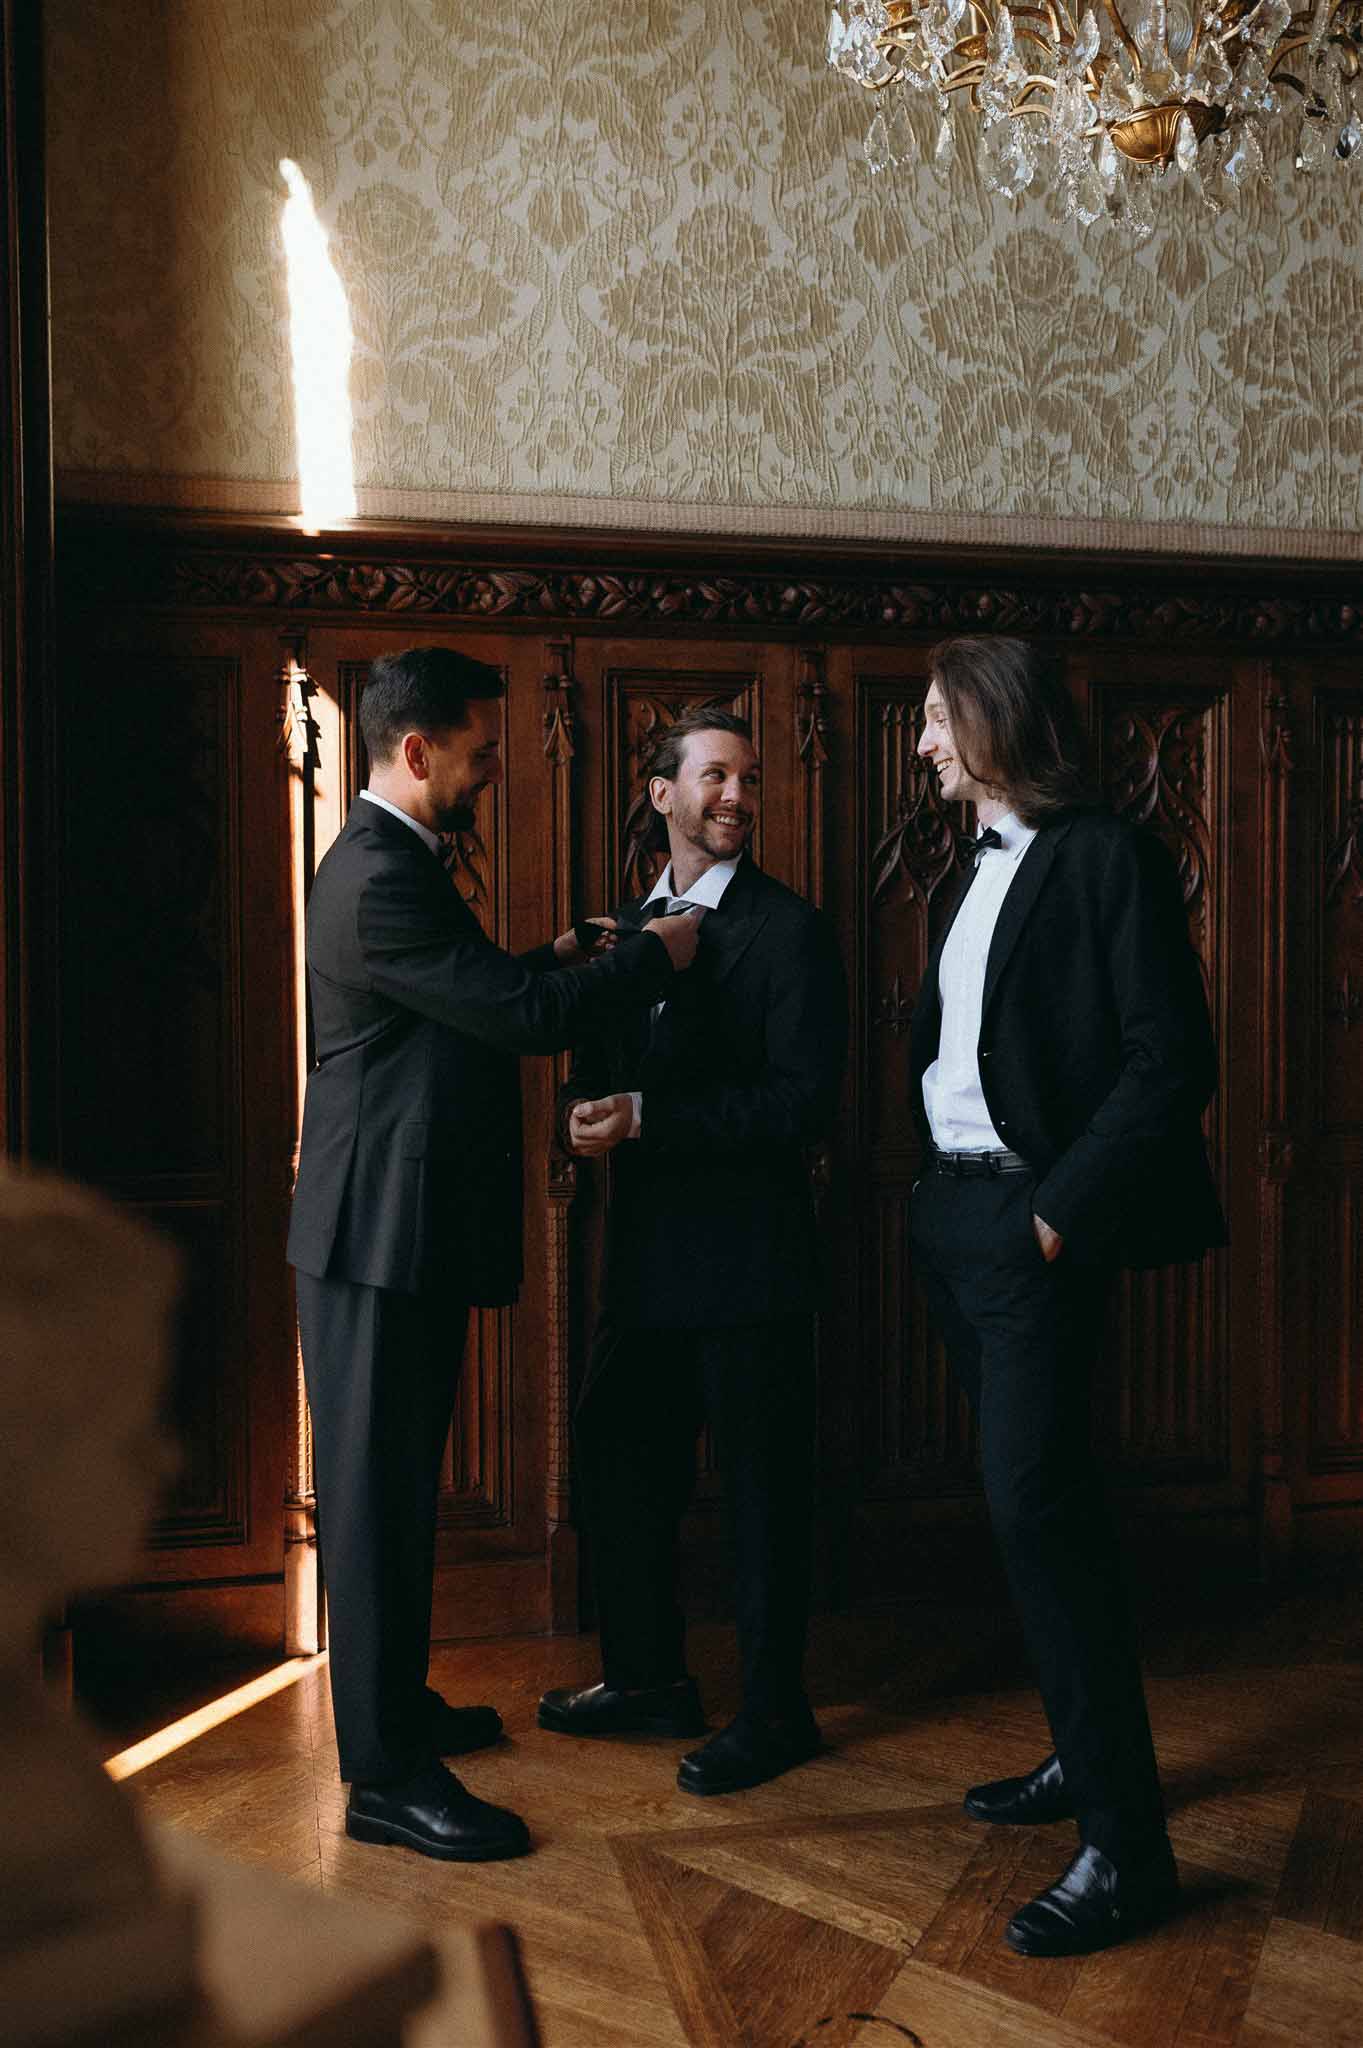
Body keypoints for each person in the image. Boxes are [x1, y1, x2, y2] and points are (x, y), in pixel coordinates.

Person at [286, 645, 699, 1862]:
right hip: (372, 1236)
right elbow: (515, 1024)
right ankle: (382, 1777)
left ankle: (393, 1707)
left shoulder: (391, 860)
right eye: (478, 749)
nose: (490, 769)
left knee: (398, 1486)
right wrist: (646, 958)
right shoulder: (380, 874)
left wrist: (566, 951)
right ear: (415, 751)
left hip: (391, 1230)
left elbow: (474, 991)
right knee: (371, 1505)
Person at [908, 636, 1226, 1956]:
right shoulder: (956, 873)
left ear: (991, 720)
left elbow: (1170, 1062)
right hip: (957, 1220)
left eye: (934, 719)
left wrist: (1052, 1215)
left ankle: (1125, 1850)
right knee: (1042, 1514)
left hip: (1032, 1223)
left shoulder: (1103, 856)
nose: (921, 743)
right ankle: (1073, 1756)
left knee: (1036, 1511)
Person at [537, 707, 847, 1795]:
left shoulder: (789, 929)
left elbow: (803, 1104)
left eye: (749, 780)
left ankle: (775, 1711)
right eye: (715, 776)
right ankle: (646, 1677)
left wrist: (645, 1120)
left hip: (752, 1260)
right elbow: (601, 1066)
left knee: (763, 1493)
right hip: (644, 1258)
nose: (737, 797)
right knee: (621, 1463)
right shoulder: (623, 930)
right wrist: (584, 1110)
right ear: (661, 792)